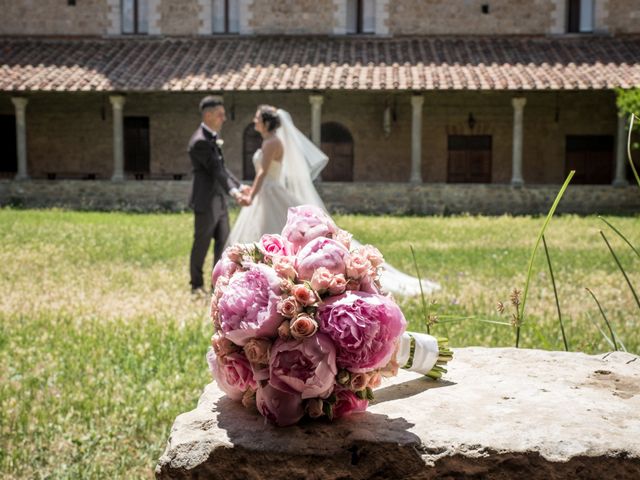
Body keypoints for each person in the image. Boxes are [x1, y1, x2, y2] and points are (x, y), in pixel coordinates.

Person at [227, 105, 440, 297]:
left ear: (264, 122)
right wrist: (252, 189)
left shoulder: (271, 142)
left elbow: (264, 172)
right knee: (269, 231)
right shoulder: (273, 141)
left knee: (270, 230)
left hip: (268, 191)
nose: (254, 122)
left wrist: (250, 196)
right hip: (269, 190)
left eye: (256, 118)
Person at [188, 95, 250, 294]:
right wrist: (234, 193)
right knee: (202, 244)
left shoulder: (212, 139)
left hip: (219, 201)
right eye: (220, 115)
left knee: (223, 246)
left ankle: (218, 285)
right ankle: (196, 285)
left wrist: (240, 187)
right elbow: (215, 170)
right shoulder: (200, 141)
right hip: (205, 201)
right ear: (208, 115)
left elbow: (223, 169)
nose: (224, 118)